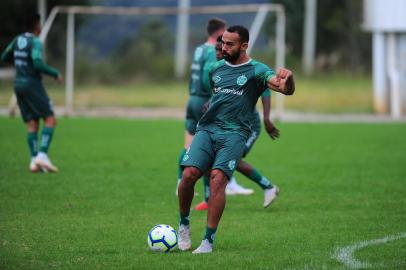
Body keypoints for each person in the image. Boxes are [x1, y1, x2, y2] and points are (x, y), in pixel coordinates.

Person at [177, 25, 295, 254]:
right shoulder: (215, 69)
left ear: (244, 46)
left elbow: (283, 88)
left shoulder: (257, 70)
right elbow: (217, 94)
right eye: (222, 42)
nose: (223, 46)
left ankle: (207, 242)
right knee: (189, 174)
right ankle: (184, 224)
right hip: (208, 129)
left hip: (235, 133)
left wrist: (289, 79)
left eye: (230, 43)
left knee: (218, 179)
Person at [193, 36, 280, 211]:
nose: (219, 52)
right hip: (223, 125)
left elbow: (265, 91)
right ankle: (210, 199)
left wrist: (266, 118)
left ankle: (268, 187)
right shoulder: (218, 69)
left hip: (247, 125)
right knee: (208, 160)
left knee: (234, 160)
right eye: (217, 50)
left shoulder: (251, 70)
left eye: (222, 48)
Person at [1, 13, 62, 173]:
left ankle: (34, 161)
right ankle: (42, 155)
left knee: (32, 122)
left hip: (18, 84)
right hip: (31, 84)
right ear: (36, 25)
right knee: (50, 119)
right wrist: (55, 73)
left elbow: (5, 56)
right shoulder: (35, 42)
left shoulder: (17, 40)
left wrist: (20, 65)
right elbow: (37, 63)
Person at [176, 18, 226, 194]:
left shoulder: (199, 49)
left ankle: (179, 183)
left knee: (188, 145)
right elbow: (209, 77)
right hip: (205, 100)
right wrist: (215, 97)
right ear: (220, 33)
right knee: (208, 147)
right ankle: (209, 193)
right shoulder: (213, 51)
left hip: (192, 98)